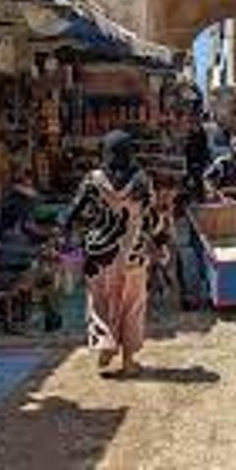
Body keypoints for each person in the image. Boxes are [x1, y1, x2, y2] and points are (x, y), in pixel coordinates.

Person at [62, 130, 164, 377]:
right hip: (133, 254)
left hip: (100, 255)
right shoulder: (141, 180)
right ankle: (128, 362)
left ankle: (105, 345)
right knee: (132, 306)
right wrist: (160, 241)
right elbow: (152, 218)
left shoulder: (92, 180)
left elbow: (72, 213)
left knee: (99, 302)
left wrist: (65, 234)